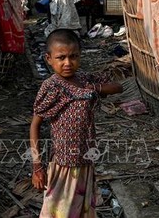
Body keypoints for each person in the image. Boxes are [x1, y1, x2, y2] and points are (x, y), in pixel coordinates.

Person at [29, 29, 123, 217]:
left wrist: (93, 88)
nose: (67, 63)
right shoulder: (52, 87)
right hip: (64, 163)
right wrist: (37, 166)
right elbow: (35, 125)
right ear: (48, 59)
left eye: (73, 56)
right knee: (58, 212)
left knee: (81, 211)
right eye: (61, 57)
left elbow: (118, 86)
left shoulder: (84, 79)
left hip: (85, 162)